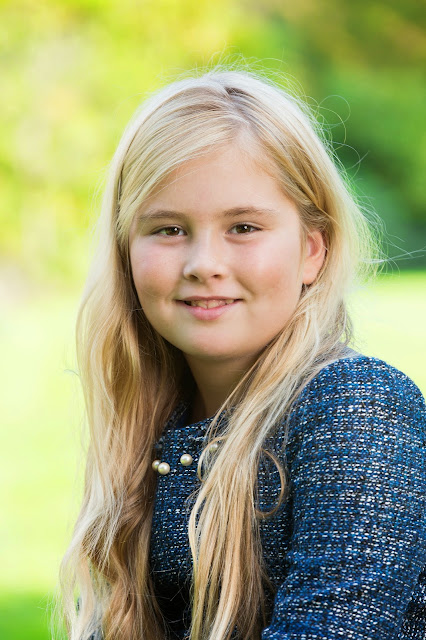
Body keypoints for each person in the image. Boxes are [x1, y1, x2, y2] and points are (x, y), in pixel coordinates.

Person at [60, 68, 426, 640]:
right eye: (169, 229)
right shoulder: (154, 426)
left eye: (244, 226)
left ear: (312, 250)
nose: (203, 262)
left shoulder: (356, 407)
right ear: (125, 251)